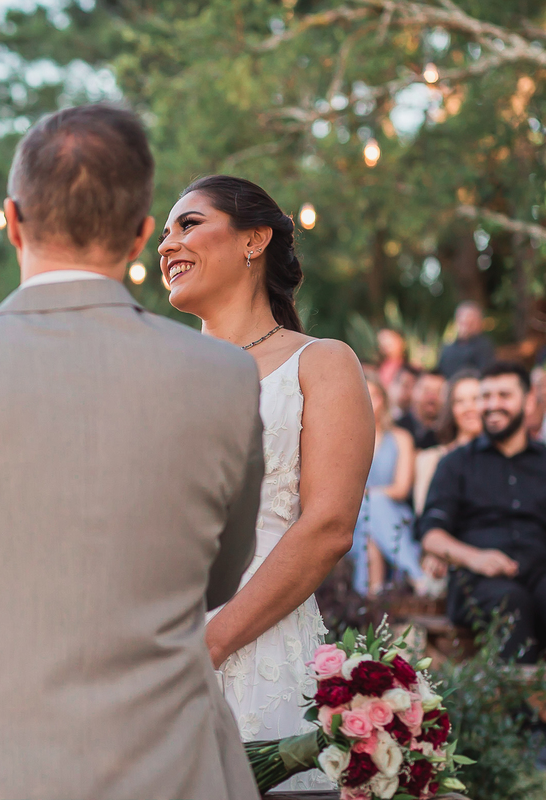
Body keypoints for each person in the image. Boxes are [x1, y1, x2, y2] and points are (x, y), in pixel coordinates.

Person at [0, 105, 260, 800]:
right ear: (142, 233)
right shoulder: (225, 378)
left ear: (14, 219)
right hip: (170, 769)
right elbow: (217, 580)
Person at [153, 175, 374, 787]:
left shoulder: (321, 363)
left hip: (263, 657)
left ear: (255, 239)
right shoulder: (157, 377)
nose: (167, 245)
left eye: (188, 224)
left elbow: (327, 526)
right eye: (166, 232)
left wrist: (211, 644)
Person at [420, 362, 546, 663]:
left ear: (529, 400)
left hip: (542, 573)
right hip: (477, 581)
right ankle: (516, 708)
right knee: (511, 601)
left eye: (504, 395)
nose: (493, 405)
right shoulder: (456, 463)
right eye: (486, 396)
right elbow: (431, 534)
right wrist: (475, 558)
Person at [351, 375, 428, 596]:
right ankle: (416, 575)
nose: (368, 400)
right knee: (368, 528)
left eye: (373, 395)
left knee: (372, 524)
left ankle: (369, 605)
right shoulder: (347, 439)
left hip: (393, 514)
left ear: (383, 400)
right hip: (355, 518)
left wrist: (367, 495)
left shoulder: (401, 438)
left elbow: (401, 489)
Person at [414, 370, 482, 516]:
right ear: (451, 409)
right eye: (460, 401)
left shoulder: (503, 456)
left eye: (476, 399)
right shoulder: (430, 459)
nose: (468, 407)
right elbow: (424, 515)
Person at [437, 301, 495, 378]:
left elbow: (485, 373)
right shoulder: (448, 348)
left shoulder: (484, 347)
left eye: (470, 323)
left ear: (479, 323)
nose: (466, 326)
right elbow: (439, 372)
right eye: (463, 322)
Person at [400, 370, 446, 450]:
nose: (432, 398)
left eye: (438, 392)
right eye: (426, 391)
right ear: (414, 392)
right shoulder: (399, 428)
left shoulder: (448, 434)